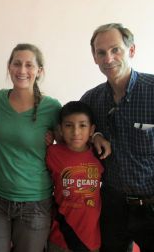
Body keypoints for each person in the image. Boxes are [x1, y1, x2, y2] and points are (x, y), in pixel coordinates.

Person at [81, 23, 154, 251]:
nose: (108, 58)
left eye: (116, 50)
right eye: (101, 52)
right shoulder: (91, 100)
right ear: (94, 57)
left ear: (131, 51)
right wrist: (96, 135)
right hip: (113, 208)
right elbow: (72, 132)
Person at [0, 44, 61, 252]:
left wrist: (94, 136)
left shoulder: (51, 107)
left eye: (29, 65)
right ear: (9, 67)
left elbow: (69, 142)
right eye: (16, 64)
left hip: (35, 203)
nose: (22, 70)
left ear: (39, 71)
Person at [47, 101, 103, 252]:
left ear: (92, 130)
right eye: (69, 125)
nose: (76, 132)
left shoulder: (100, 155)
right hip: (60, 236)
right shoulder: (52, 152)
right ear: (60, 129)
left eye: (82, 125)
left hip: (91, 240)